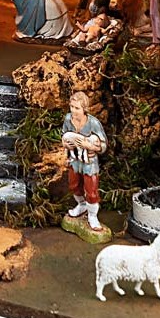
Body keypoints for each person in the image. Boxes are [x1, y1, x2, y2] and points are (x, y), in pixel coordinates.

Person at [62, 90, 108, 231]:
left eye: (77, 108)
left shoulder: (93, 123)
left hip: (89, 163)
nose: (73, 110)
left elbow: (103, 145)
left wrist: (89, 146)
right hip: (75, 160)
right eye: (72, 107)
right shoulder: (68, 119)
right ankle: (81, 205)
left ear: (84, 109)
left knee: (91, 190)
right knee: (74, 185)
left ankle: (92, 215)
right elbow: (64, 136)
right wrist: (66, 145)